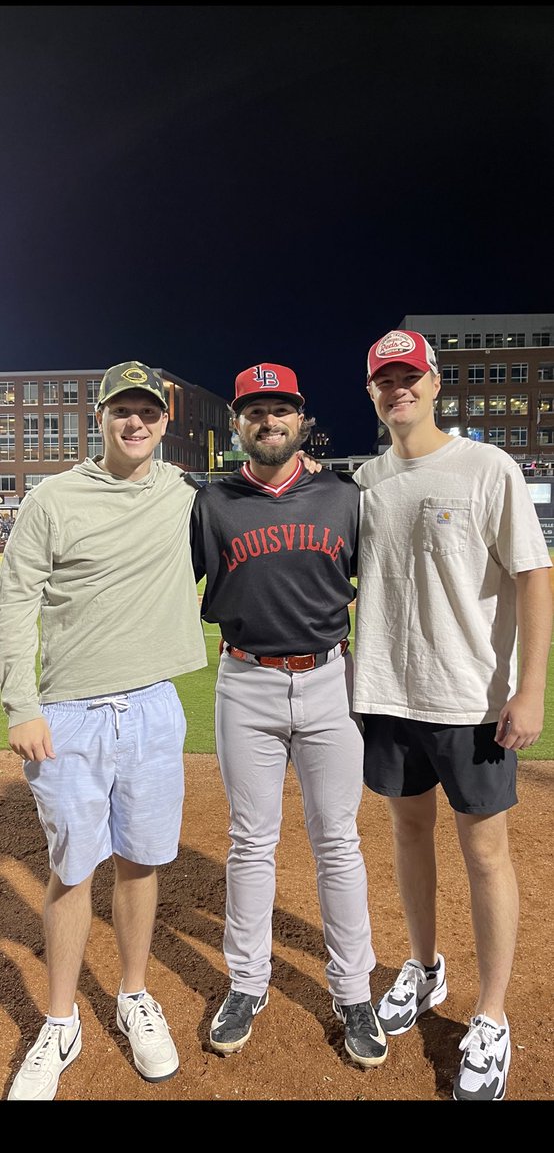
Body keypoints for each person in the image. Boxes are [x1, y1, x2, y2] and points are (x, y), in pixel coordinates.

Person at [352, 329, 553, 1101]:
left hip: (471, 701)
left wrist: (529, 688)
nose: (397, 388)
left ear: (434, 383)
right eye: (384, 379)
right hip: (389, 695)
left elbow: (536, 576)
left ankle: (492, 1014)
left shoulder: (486, 467)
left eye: (410, 376)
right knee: (408, 833)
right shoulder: (366, 481)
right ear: (372, 392)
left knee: (487, 854)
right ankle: (425, 968)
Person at [0, 361, 207, 1101]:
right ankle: (60, 1019)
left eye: (146, 412)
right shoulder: (54, 498)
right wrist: (19, 703)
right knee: (72, 867)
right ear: (101, 417)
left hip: (153, 707)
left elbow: (265, 491)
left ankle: (133, 993)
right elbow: (14, 596)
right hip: (70, 715)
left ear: (162, 419)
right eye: (122, 410)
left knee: (143, 861)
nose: (135, 423)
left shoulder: (182, 493)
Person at [191, 362, 387, 1069]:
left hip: (330, 678)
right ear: (238, 424)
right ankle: (247, 983)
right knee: (251, 843)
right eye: (253, 411)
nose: (266, 421)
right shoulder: (211, 503)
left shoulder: (344, 496)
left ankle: (353, 990)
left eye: (279, 409)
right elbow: (168, 588)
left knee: (338, 842)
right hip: (245, 683)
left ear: (300, 419)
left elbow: (382, 588)